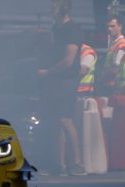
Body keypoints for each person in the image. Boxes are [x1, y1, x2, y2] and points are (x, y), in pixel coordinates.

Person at [38, 0, 86, 176]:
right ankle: (60, 164)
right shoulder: (56, 29)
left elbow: (68, 60)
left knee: (65, 120)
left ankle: (77, 163)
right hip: (55, 81)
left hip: (65, 81)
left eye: (55, 6)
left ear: (64, 9)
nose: (52, 9)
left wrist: (48, 72)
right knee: (56, 121)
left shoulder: (71, 29)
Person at [98, 16, 125, 94]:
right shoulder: (114, 43)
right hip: (109, 84)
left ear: (120, 26)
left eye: (112, 26)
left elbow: (116, 69)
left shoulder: (121, 44)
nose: (109, 29)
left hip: (112, 86)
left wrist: (101, 79)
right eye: (108, 26)